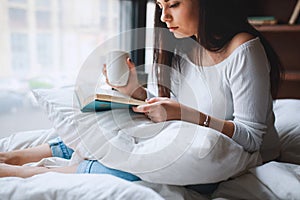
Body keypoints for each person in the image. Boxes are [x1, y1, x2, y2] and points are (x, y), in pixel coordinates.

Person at [0, 0, 281, 194]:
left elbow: (252, 138)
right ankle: (16, 157)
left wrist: (184, 114)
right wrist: (133, 91)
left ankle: (28, 174)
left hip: (225, 158)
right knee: (115, 123)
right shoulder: (184, 46)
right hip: (183, 136)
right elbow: (167, 111)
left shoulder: (243, 50)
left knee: (141, 169)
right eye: (160, 6)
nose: (164, 17)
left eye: (174, 4)